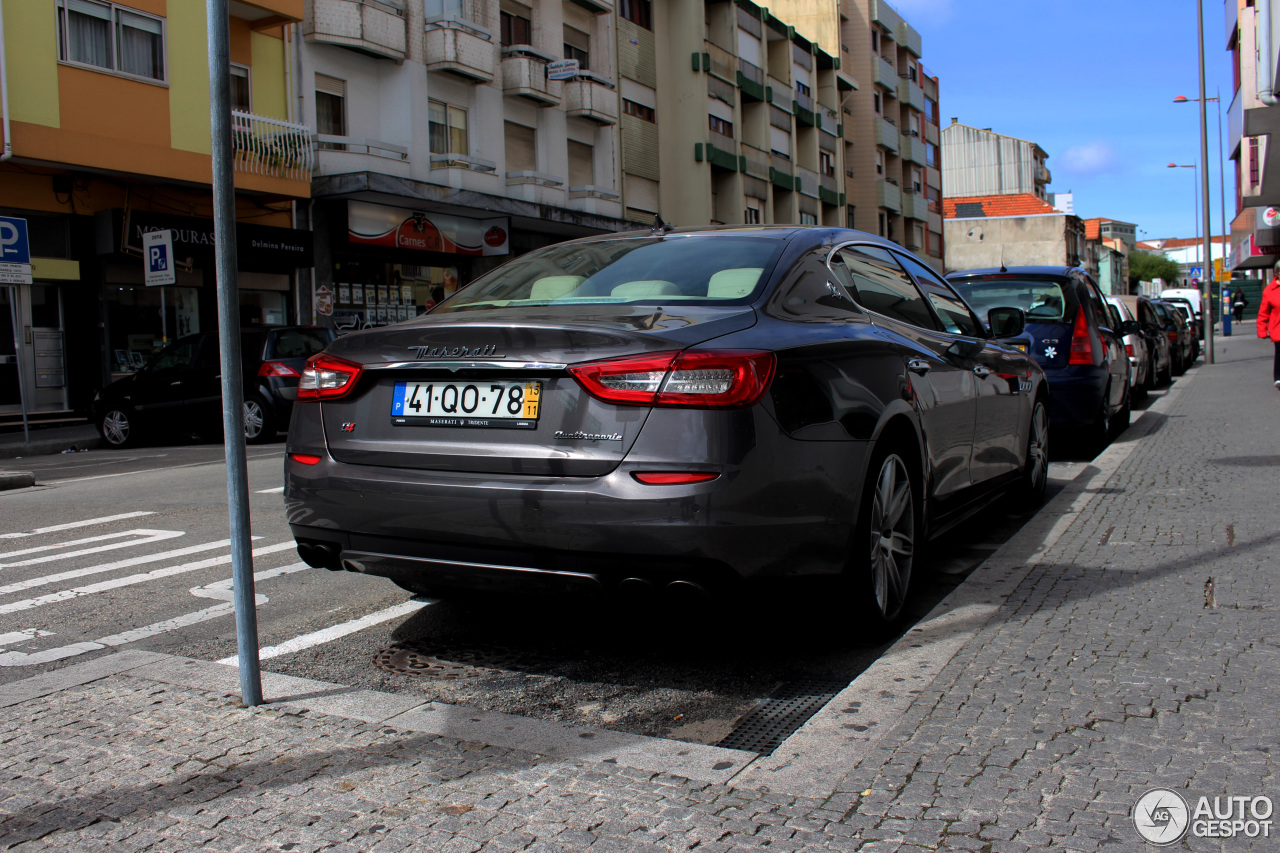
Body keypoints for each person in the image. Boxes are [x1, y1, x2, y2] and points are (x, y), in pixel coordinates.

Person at [1257, 265, 1280, 387]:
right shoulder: (1269, 290)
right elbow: (1263, 313)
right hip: (1278, 328)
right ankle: (1278, 378)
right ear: (1277, 272)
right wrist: (1262, 331)